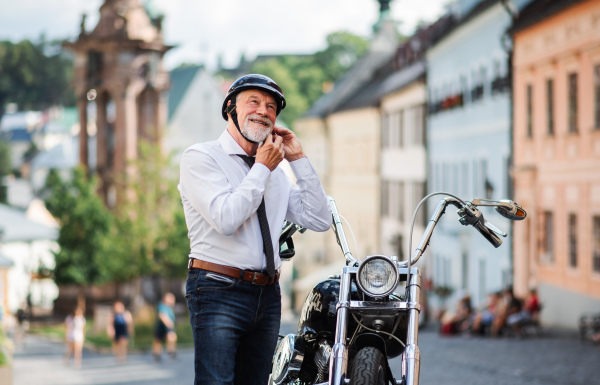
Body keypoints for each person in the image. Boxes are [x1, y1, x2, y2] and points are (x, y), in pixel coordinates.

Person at [179, 74, 331, 385]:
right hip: (218, 288)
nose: (263, 110)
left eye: (272, 106)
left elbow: (318, 218)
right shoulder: (201, 157)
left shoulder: (275, 169)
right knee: (217, 382)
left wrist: (298, 159)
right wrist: (262, 167)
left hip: (267, 292)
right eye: (254, 102)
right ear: (230, 109)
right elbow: (226, 218)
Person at [152, 292, 177, 362]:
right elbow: (162, 315)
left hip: (167, 327)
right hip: (162, 327)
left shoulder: (170, 307)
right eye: (170, 298)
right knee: (158, 341)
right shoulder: (162, 305)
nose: (172, 300)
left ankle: (171, 352)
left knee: (172, 337)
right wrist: (168, 323)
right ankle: (157, 355)